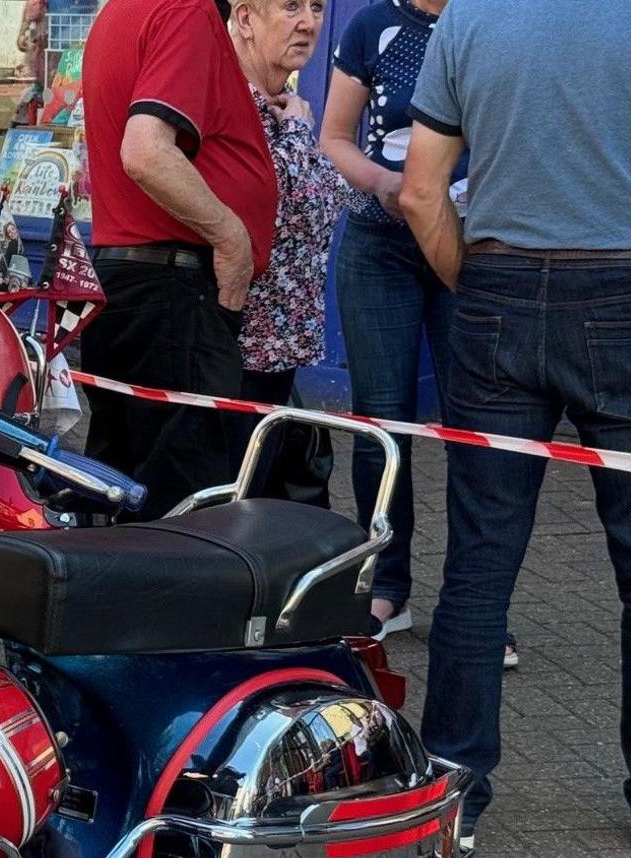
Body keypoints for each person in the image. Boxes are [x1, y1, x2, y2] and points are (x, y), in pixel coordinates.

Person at [401, 0, 631, 858]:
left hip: (498, 287)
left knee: (480, 557)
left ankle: (451, 791)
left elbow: (420, 189)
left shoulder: (469, 19)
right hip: (626, 292)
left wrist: (479, 286)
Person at [78, 0, 277, 519]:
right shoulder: (184, 9)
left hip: (136, 285)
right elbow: (146, 151)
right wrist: (233, 239)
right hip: (173, 293)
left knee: (122, 495)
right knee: (184, 509)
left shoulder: (124, 10)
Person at [320, 0, 465, 640]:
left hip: (473, 245)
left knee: (479, 425)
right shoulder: (371, 23)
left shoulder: (488, 21)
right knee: (381, 420)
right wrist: (381, 182)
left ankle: (475, 604)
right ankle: (385, 586)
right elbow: (333, 137)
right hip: (378, 248)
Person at [228, 0, 340, 507]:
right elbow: (296, 211)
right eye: (291, 5)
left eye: (316, 7)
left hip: (279, 344)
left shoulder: (282, 104)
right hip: (242, 343)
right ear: (246, 18)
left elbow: (327, 201)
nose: (309, 22)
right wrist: (299, 132)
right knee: (236, 495)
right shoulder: (237, 103)